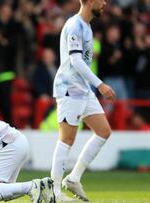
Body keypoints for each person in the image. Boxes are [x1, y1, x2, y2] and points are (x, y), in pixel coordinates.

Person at [51, 0, 116, 202]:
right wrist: (100, 85)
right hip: (69, 88)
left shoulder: (87, 27)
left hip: (83, 90)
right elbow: (76, 60)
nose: (105, 3)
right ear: (89, 1)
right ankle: (53, 191)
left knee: (103, 131)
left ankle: (73, 178)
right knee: (66, 139)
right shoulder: (74, 25)